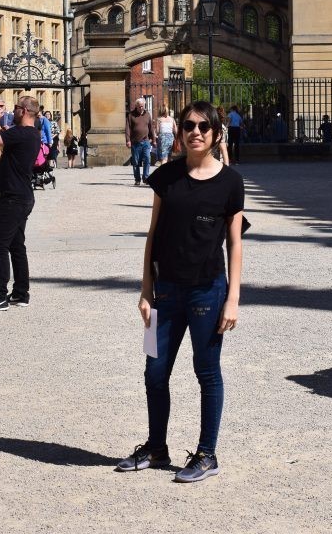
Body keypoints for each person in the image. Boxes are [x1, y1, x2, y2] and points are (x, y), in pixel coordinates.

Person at [116, 101, 244, 483]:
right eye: (189, 125)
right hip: (165, 292)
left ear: (216, 133)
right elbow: (152, 234)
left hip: (208, 292)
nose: (196, 131)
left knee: (207, 372)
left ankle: (207, 454)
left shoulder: (230, 182)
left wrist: (233, 298)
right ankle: (157, 447)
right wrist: (145, 288)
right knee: (153, 371)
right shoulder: (166, 176)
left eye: (204, 126)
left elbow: (235, 243)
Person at [0, 96, 41, 312]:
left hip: (13, 197)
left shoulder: (20, 133)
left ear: (23, 111)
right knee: (15, 245)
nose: (12, 111)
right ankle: (21, 292)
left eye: (15, 108)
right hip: (22, 195)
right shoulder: (30, 133)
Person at [126, 98, 155, 185]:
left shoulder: (147, 115)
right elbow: (127, 128)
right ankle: (137, 179)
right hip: (135, 142)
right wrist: (128, 140)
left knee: (147, 159)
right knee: (136, 162)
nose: (141, 108)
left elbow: (151, 128)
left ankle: (145, 177)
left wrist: (153, 139)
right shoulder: (131, 115)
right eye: (139, 107)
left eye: (142, 106)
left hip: (146, 141)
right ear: (136, 106)